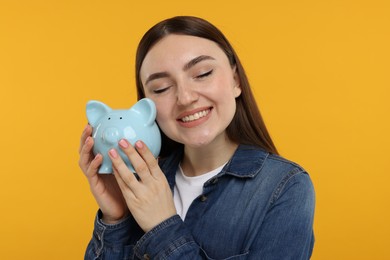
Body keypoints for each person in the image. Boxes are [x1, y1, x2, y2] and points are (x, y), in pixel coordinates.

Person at [79, 16, 315, 260]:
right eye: (161, 88)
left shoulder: (286, 187)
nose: (185, 97)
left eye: (202, 73)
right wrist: (117, 220)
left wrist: (163, 226)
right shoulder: (141, 184)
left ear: (236, 80)